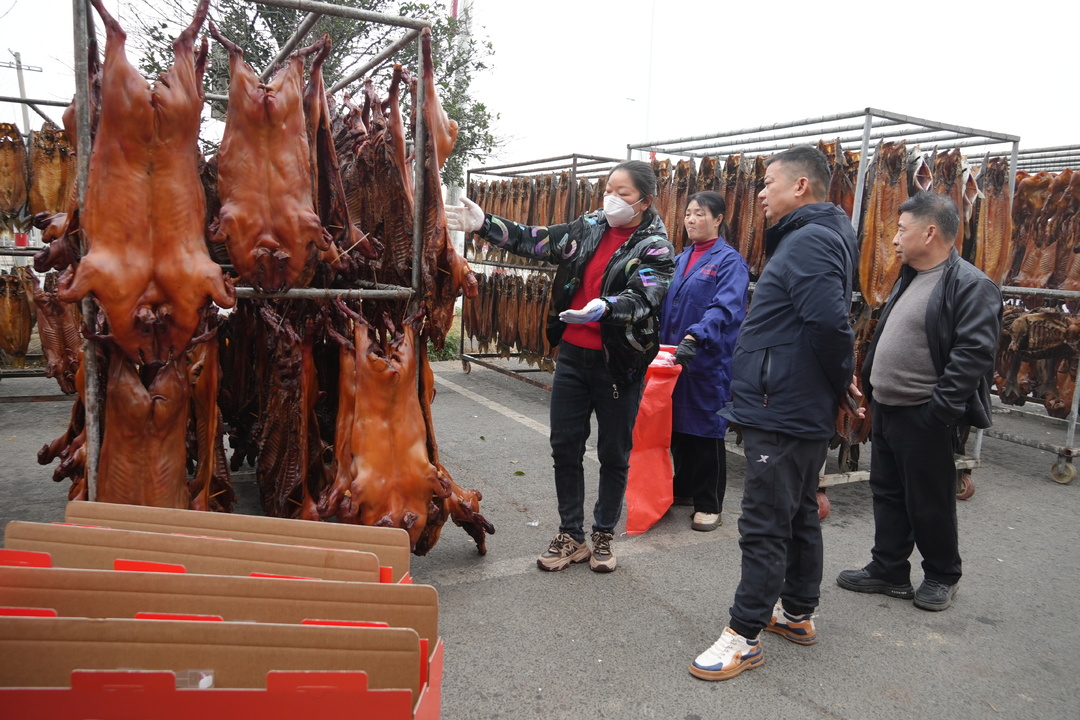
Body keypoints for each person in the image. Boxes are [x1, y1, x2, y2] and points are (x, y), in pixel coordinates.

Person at [446, 160, 675, 573]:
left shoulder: (655, 245)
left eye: (622, 193)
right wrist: (485, 225)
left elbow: (646, 296)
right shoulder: (588, 226)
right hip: (572, 355)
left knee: (614, 451)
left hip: (618, 361)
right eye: (609, 189)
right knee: (565, 446)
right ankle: (571, 534)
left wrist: (606, 307)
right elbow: (539, 241)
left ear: (644, 200)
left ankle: (604, 532)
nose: (612, 198)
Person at [689, 145, 859, 682]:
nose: (760, 192)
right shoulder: (816, 236)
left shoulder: (809, 241)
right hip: (792, 403)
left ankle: (743, 635)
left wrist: (840, 385)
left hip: (783, 407)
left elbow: (830, 325)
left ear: (801, 186)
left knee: (765, 522)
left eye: (768, 182)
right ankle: (798, 613)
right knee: (800, 512)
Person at [837, 192, 1001, 611]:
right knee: (888, 492)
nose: (893, 238)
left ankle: (943, 574)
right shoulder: (910, 276)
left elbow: (974, 354)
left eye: (901, 229)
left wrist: (939, 412)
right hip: (890, 410)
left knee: (929, 500)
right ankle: (889, 569)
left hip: (924, 414)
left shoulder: (970, 284)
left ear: (930, 232)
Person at [660, 191, 749, 532]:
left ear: (718, 219)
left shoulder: (730, 262)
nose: (692, 219)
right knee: (677, 427)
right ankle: (681, 489)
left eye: (700, 214)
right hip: (672, 357)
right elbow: (662, 293)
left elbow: (725, 308)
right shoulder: (680, 259)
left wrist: (695, 336)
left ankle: (709, 503)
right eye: (688, 214)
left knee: (706, 432)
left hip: (706, 360)